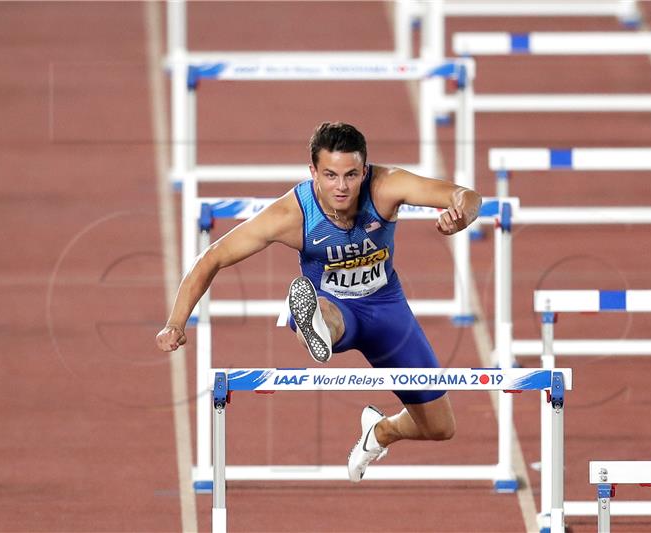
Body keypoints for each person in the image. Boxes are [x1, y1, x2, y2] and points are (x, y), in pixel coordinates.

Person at [156, 121, 482, 482]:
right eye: (329, 175)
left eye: (351, 175)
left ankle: (379, 432)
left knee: (440, 426)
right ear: (312, 171)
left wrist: (462, 215)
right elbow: (213, 257)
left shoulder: (387, 185)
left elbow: (464, 195)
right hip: (336, 308)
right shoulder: (291, 214)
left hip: (388, 310)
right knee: (327, 315)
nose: (341, 187)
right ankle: (312, 320)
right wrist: (176, 321)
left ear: (365, 169)